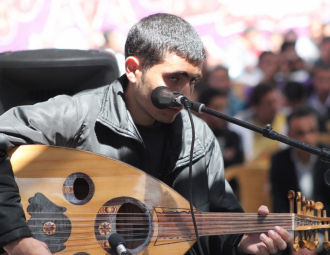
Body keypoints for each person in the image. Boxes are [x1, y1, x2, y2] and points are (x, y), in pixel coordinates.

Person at [0, 13, 291, 255]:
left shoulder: (198, 136)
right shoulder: (77, 115)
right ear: (133, 69)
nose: (184, 94)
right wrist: (16, 237)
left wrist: (241, 241)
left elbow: (215, 220)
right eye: (173, 78)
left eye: (192, 80)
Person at [270, 106, 330, 255]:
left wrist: (317, 239)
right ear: (289, 135)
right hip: (292, 233)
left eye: (311, 131)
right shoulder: (279, 161)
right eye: (300, 133)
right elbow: (280, 205)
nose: (307, 139)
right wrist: (293, 238)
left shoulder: (328, 159)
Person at [198, 88, 244, 168]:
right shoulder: (195, 137)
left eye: (224, 107)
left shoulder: (233, 137)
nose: (222, 113)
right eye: (217, 107)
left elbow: (239, 166)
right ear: (203, 110)